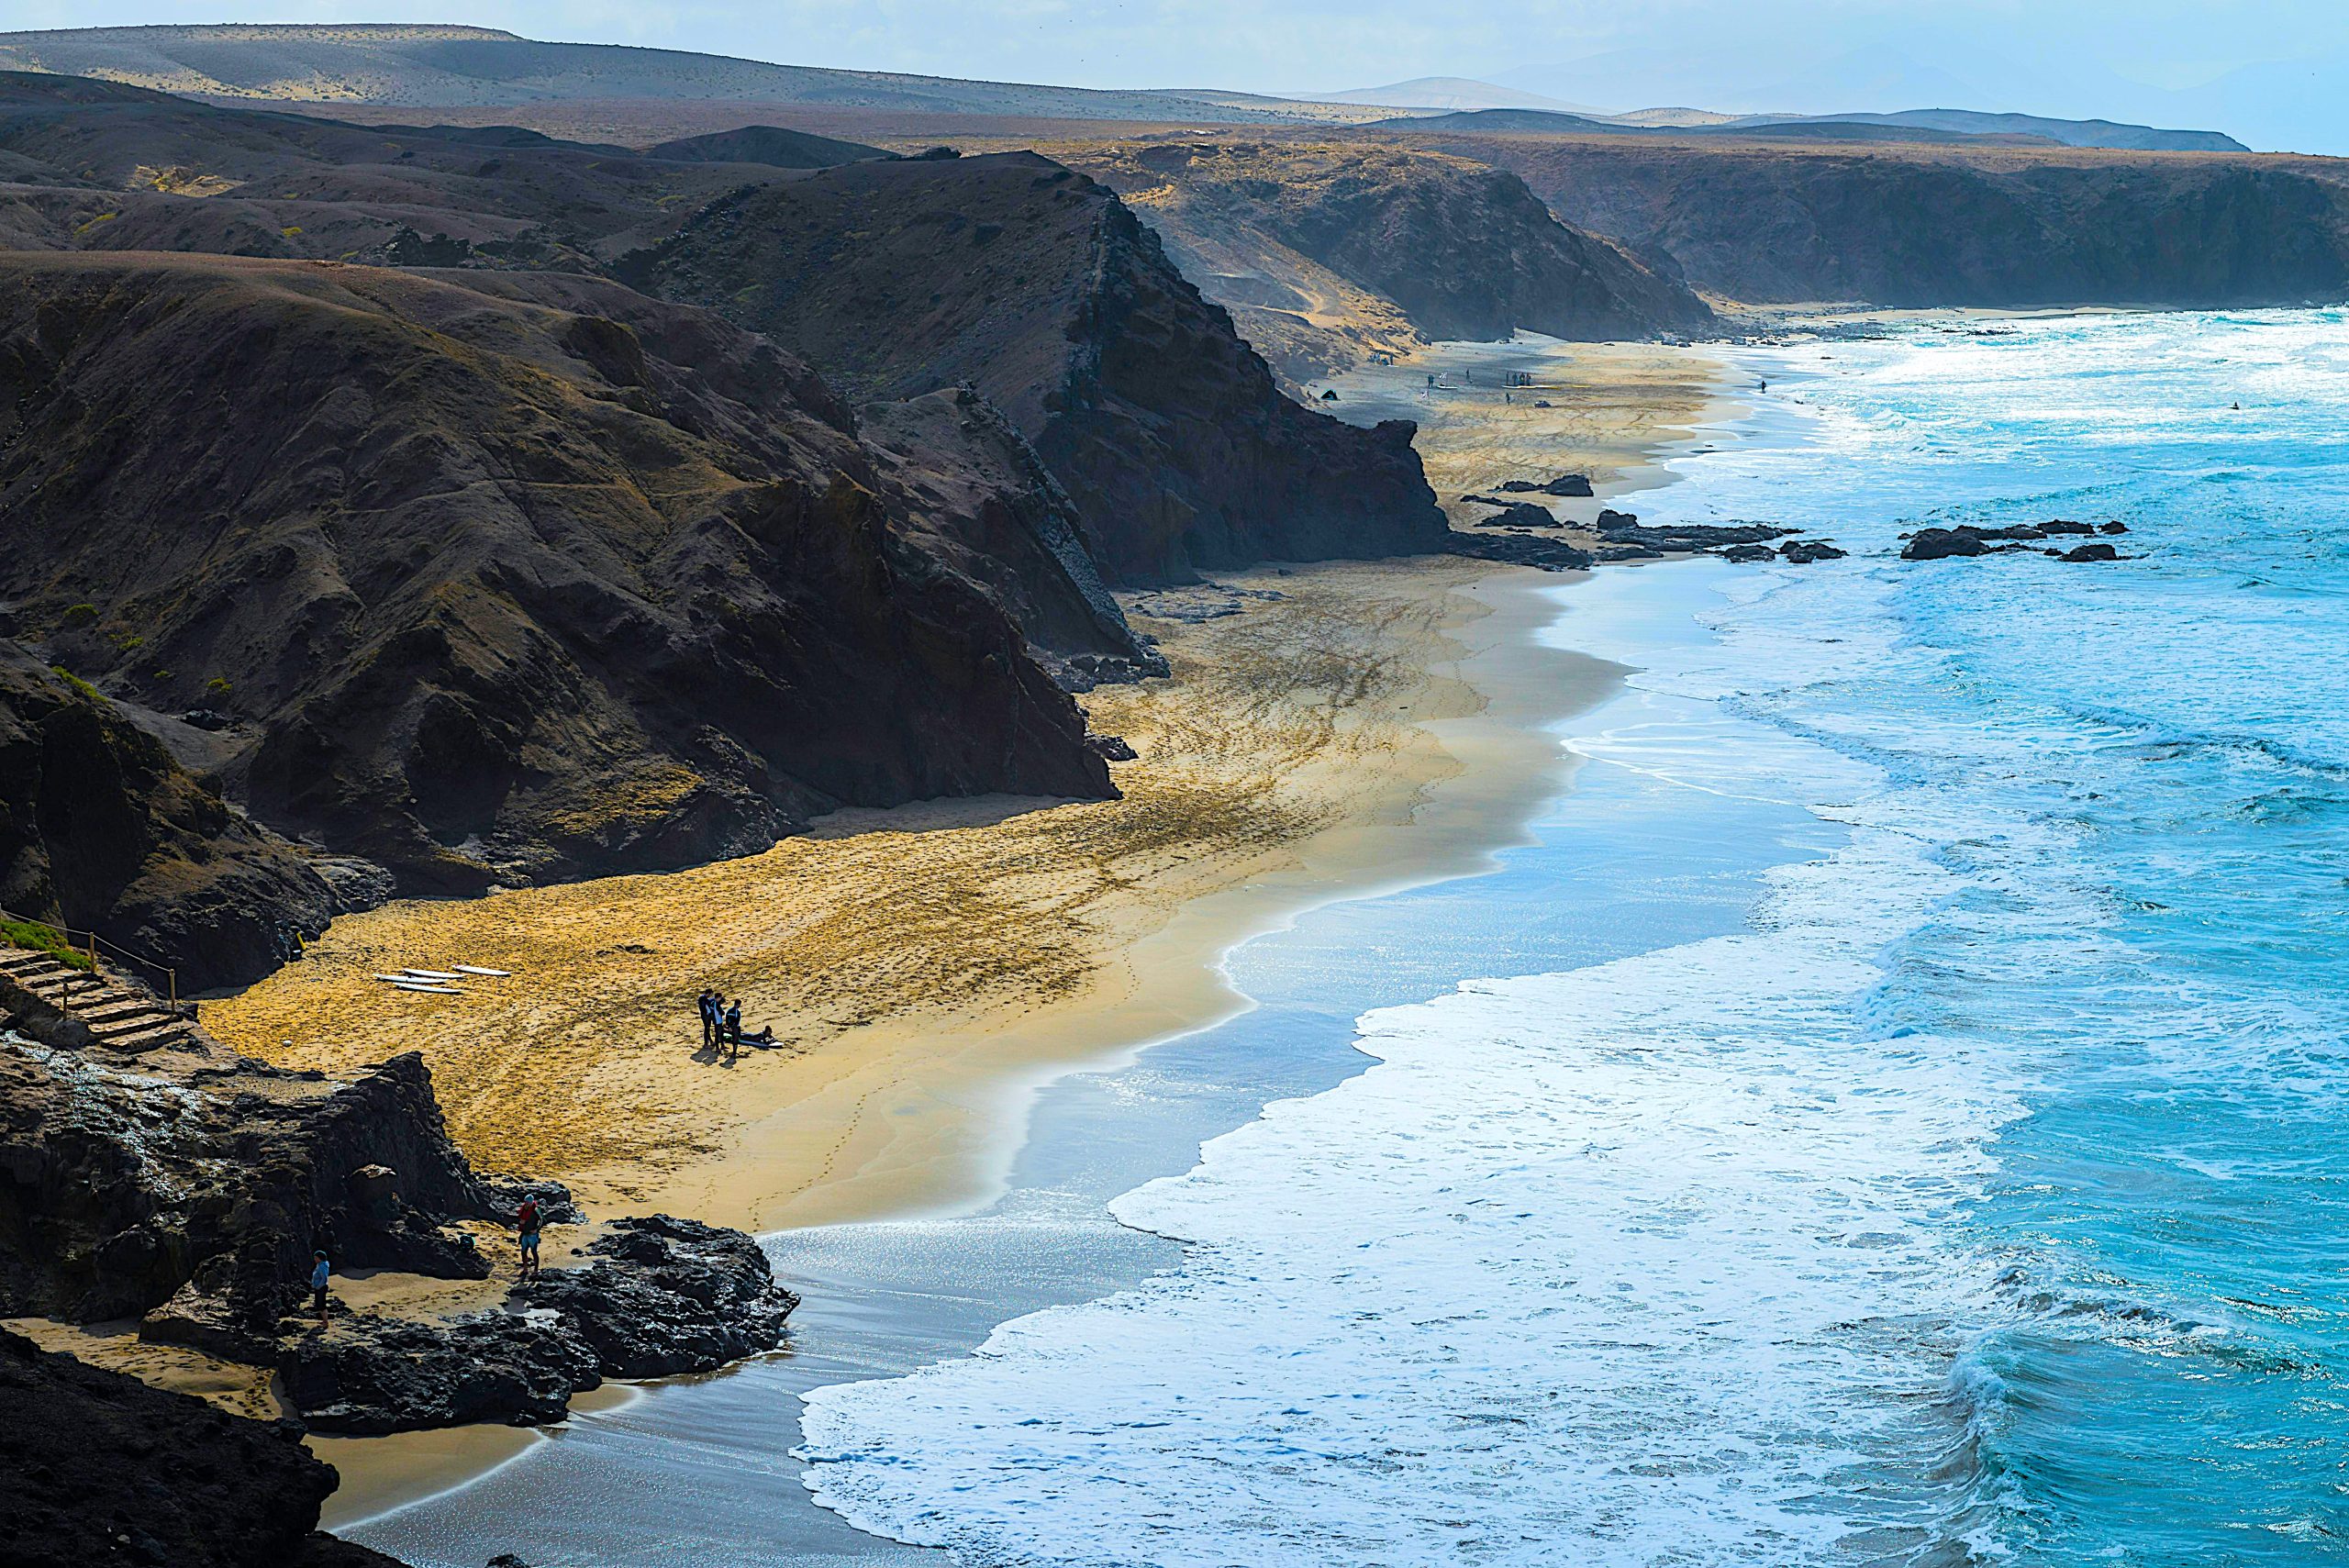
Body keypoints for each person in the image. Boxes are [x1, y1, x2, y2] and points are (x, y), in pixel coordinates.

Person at [517, 1195, 541, 1277]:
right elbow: (520, 1218)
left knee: (534, 1252)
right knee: (523, 1251)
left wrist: (536, 1229)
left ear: (531, 1202)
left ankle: (535, 1270)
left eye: (527, 1202)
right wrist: (521, 1222)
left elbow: (542, 1220)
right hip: (525, 1233)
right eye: (525, 1202)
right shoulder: (524, 1209)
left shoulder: (535, 1210)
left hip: (532, 1235)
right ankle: (525, 1269)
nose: (525, 1203)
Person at [309, 1250, 331, 1325]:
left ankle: (325, 1322)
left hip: (321, 1288)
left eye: (315, 1257)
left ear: (320, 1258)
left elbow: (324, 1278)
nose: (314, 1259)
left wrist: (318, 1287)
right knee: (319, 1304)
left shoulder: (322, 1266)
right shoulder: (319, 1264)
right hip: (319, 1287)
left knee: (322, 1305)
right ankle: (324, 1321)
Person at [724, 997, 743, 1061]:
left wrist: (728, 1026)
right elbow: (737, 1021)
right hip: (735, 1027)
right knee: (736, 1040)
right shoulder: (737, 1012)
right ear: (738, 1004)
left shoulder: (729, 1010)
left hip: (730, 1027)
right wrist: (731, 1027)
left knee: (733, 1040)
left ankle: (734, 1052)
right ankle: (734, 1052)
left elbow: (727, 1019)